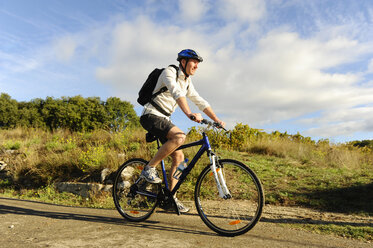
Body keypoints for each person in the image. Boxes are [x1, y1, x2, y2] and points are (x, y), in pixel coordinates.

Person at [139, 49, 225, 213]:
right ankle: (149, 168)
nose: (196, 66)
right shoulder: (169, 72)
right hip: (151, 115)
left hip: (165, 119)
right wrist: (189, 114)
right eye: (194, 62)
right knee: (179, 137)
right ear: (183, 62)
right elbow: (176, 92)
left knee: (180, 158)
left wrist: (216, 120)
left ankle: (171, 198)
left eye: (198, 64)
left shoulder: (187, 82)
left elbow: (200, 101)